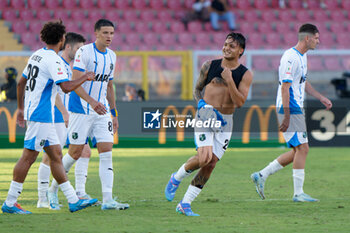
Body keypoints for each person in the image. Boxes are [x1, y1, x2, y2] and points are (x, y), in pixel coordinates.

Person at [1, 21, 97, 214]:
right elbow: (66, 87)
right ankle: (10, 202)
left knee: (56, 155)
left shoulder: (37, 54)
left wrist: (20, 109)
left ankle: (72, 200)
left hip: (39, 113)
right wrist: (85, 77)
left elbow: (21, 83)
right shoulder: (53, 60)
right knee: (28, 158)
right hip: (41, 115)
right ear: (62, 39)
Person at [165, 32, 253, 216]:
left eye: (232, 46)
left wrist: (229, 80)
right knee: (204, 157)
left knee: (210, 164)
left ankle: (185, 204)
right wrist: (201, 104)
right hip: (206, 116)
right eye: (226, 44)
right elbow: (197, 89)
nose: (227, 48)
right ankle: (176, 177)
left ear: (240, 51)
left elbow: (240, 103)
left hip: (226, 122)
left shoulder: (245, 74)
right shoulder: (210, 65)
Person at [48, 19, 129, 211]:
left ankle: (108, 199)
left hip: (101, 112)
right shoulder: (85, 52)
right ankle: (52, 189)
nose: (109, 37)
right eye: (105, 33)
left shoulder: (112, 56)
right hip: (81, 110)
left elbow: (109, 85)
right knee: (75, 152)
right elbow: (75, 82)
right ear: (97, 34)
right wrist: (92, 102)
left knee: (106, 151)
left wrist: (114, 112)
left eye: (112, 33)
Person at [251, 24, 332, 202]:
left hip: (294, 107)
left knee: (298, 151)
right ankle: (297, 194)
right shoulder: (290, 57)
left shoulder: (302, 57)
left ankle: (261, 175)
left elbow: (302, 82)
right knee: (303, 148)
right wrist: (287, 116)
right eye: (316, 38)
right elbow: (285, 88)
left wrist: (320, 97)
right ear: (307, 38)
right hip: (290, 107)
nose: (318, 42)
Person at [36, 32, 95, 209]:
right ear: (68, 47)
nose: (81, 52)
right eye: (78, 49)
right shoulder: (56, 63)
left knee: (84, 151)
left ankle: (80, 193)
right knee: (51, 156)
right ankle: (43, 198)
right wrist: (64, 113)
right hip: (56, 115)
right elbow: (53, 93)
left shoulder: (71, 67)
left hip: (71, 116)